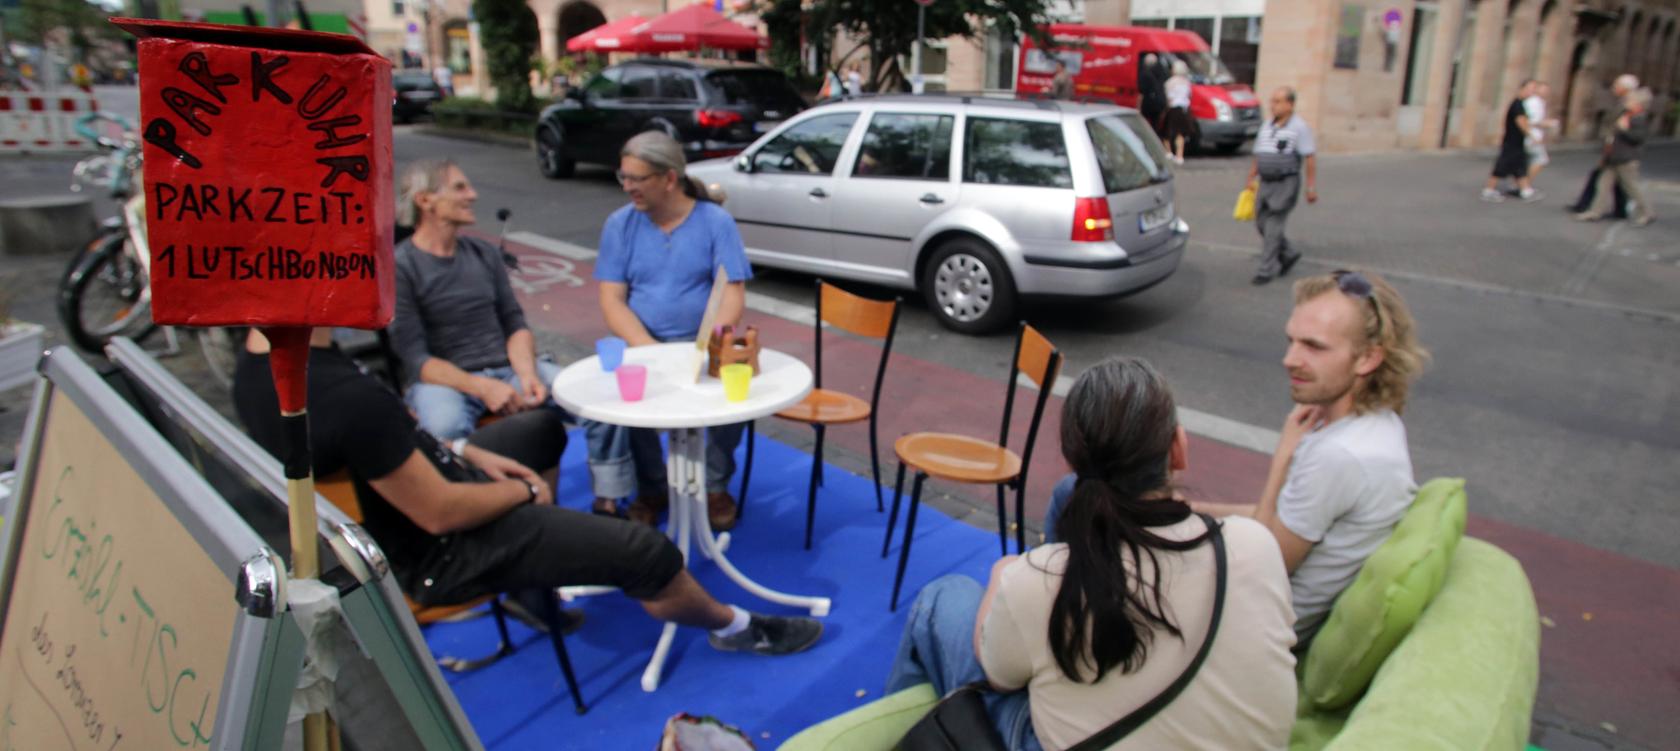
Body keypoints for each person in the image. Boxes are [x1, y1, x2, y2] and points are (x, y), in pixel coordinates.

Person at [232, 328, 824, 656]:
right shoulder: (347, 399)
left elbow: (406, 450)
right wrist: (524, 494)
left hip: (426, 494)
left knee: (541, 425)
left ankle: (545, 570)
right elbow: (439, 512)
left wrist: (476, 453)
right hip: (444, 553)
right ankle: (733, 627)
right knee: (648, 553)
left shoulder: (262, 369)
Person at [890, 357, 1298, 750]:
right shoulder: (1255, 545)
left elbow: (998, 676)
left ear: (1072, 458)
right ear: (1178, 448)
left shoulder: (1034, 584)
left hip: (1051, 673)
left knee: (942, 598)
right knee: (1062, 511)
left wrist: (1005, 573)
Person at [1186, 270, 1429, 644]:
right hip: (1253, 607)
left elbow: (1260, 568)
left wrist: (1281, 459)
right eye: (1292, 341)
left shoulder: (1340, 456)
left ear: (1367, 359)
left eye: (1313, 347)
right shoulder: (1375, 422)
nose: (1289, 359)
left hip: (1248, 634)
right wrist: (1194, 507)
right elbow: (1289, 519)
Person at [588, 131, 751, 530]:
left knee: (733, 400)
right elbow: (612, 299)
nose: (627, 188)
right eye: (623, 177)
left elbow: (731, 293)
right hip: (642, 344)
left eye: (636, 179)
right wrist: (647, 349)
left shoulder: (715, 222)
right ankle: (652, 487)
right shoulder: (620, 225)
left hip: (703, 343)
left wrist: (706, 345)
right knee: (627, 406)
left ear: (669, 179)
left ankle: (713, 485)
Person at [389, 160, 564, 445]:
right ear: (425, 200)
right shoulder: (401, 266)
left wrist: (527, 373)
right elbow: (416, 360)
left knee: (588, 398)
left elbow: (514, 323)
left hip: (509, 370)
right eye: (460, 188)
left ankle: (619, 486)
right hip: (447, 383)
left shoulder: (484, 253)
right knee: (444, 432)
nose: (473, 195)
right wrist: (483, 388)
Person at [1245, 86, 1317, 286]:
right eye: (1272, 101)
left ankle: (1266, 269)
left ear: (1290, 104)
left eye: (1278, 102)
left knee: (1274, 225)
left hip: (1285, 182)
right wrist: (1251, 177)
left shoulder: (1299, 128)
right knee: (1261, 222)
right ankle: (1289, 252)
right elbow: (1259, 154)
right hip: (1265, 181)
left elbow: (1309, 157)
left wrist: (1310, 188)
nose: (1272, 106)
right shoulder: (1267, 125)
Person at [1575, 87, 1656, 227]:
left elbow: (1638, 138)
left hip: (1626, 159)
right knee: (1602, 184)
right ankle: (1595, 212)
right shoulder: (1626, 115)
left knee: (1631, 187)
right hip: (1613, 157)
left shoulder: (1639, 119)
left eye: (1629, 101)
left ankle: (1647, 212)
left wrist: (1624, 129)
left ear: (1638, 105)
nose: (1626, 103)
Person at [1567, 74, 1637, 217]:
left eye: (1617, 85)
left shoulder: (1629, 104)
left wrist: (1609, 146)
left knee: (1614, 180)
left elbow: (1622, 128)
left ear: (1625, 88)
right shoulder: (1624, 102)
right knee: (1615, 180)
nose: (1614, 88)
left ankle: (1588, 206)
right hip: (1616, 148)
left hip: (1619, 149)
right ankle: (1618, 210)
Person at [1481, 79, 1540, 203]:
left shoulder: (1520, 104)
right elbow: (1521, 122)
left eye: (1533, 90)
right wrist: (1531, 135)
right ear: (1522, 89)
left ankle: (1525, 190)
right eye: (1530, 89)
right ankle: (1489, 190)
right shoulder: (1518, 105)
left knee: (1519, 165)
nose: (1532, 92)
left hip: (1516, 141)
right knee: (1502, 165)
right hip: (1512, 141)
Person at [1160, 60, 1197, 165]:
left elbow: (1168, 97)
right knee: (1180, 133)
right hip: (1184, 109)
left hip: (1172, 108)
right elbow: (1189, 96)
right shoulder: (1186, 82)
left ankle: (1168, 152)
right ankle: (1179, 155)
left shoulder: (1170, 82)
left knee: (1166, 132)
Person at [1523, 81, 1557, 187]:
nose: (1546, 92)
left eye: (1547, 90)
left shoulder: (1539, 102)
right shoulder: (1534, 102)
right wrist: (1548, 123)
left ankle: (1523, 184)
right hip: (1532, 136)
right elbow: (1531, 120)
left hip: (1533, 136)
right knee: (1541, 160)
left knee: (1527, 161)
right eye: (1543, 90)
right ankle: (1525, 185)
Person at [1137, 53, 1167, 136]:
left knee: (1144, 123)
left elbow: (1141, 92)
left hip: (1148, 103)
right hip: (1159, 102)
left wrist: (1138, 107)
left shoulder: (1144, 74)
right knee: (1155, 125)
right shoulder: (1162, 73)